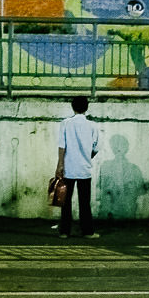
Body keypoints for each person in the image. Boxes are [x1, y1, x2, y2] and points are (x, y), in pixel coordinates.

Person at [55, 96, 99, 239]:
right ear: (86, 108)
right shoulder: (92, 126)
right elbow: (96, 147)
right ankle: (87, 231)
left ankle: (64, 231)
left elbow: (62, 146)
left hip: (69, 168)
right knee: (84, 202)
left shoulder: (65, 124)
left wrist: (60, 165)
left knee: (66, 202)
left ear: (73, 107)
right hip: (84, 169)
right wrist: (86, 157)